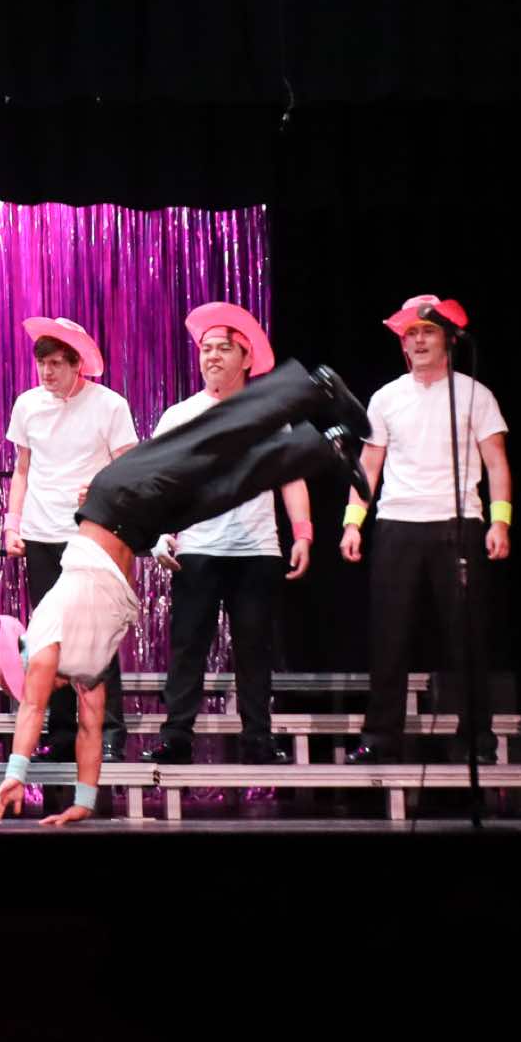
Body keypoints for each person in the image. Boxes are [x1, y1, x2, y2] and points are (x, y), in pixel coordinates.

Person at [0, 357, 371, 825]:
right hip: (137, 524)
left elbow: (31, 709)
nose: (34, 687)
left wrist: (15, 774)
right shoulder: (85, 674)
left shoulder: (45, 645)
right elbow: (89, 732)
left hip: (115, 498)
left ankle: (311, 387)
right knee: (223, 489)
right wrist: (83, 803)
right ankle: (326, 447)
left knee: (206, 443)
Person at [341, 296, 512, 766]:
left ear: (448, 340)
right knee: (389, 636)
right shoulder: (386, 397)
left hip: (458, 523)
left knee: (466, 636)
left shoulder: (474, 394)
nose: (417, 341)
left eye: (427, 332)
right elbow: (368, 466)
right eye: (410, 334)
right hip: (398, 524)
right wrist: (353, 522)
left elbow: (496, 463)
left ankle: (476, 739)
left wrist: (500, 520)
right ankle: (381, 737)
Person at [143, 303, 315, 767]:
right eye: (206, 349)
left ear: (246, 358)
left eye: (223, 348)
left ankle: (258, 738)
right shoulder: (181, 415)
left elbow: (291, 476)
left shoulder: (268, 414)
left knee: (255, 649)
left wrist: (302, 533)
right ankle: (177, 736)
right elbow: (156, 482)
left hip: (256, 549)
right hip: (197, 548)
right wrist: (158, 534)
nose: (212, 356)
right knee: (188, 647)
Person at [3, 316, 138, 762]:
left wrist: (100, 488)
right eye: (42, 363)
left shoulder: (109, 405)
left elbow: (129, 468)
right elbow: (22, 469)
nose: (47, 372)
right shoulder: (27, 405)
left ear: (78, 364)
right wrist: (13, 524)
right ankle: (61, 735)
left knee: (95, 634)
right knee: (50, 636)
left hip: (90, 534)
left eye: (56, 363)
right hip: (41, 535)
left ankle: (108, 733)